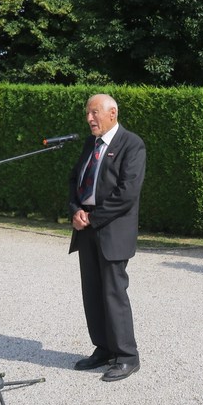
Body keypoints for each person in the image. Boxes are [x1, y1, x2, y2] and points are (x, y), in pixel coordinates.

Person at [68, 94, 146, 382]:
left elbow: (127, 193)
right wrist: (76, 210)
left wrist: (93, 217)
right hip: (86, 230)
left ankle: (127, 356)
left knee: (114, 293)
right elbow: (74, 180)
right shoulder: (91, 144)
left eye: (95, 113)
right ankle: (103, 348)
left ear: (112, 113)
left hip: (111, 230)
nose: (90, 118)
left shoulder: (132, 144)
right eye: (88, 113)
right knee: (92, 292)